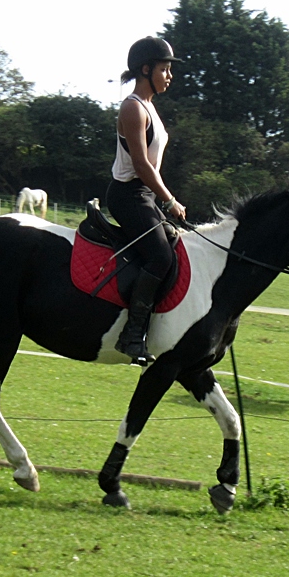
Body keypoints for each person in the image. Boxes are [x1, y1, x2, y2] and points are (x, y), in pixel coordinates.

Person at [107, 36, 187, 366]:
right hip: (128, 195)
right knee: (160, 256)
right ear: (145, 69)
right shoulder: (133, 108)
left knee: (175, 247)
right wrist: (169, 201)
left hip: (143, 196)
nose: (169, 75)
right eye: (164, 69)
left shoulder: (149, 106)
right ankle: (131, 335)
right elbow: (141, 165)